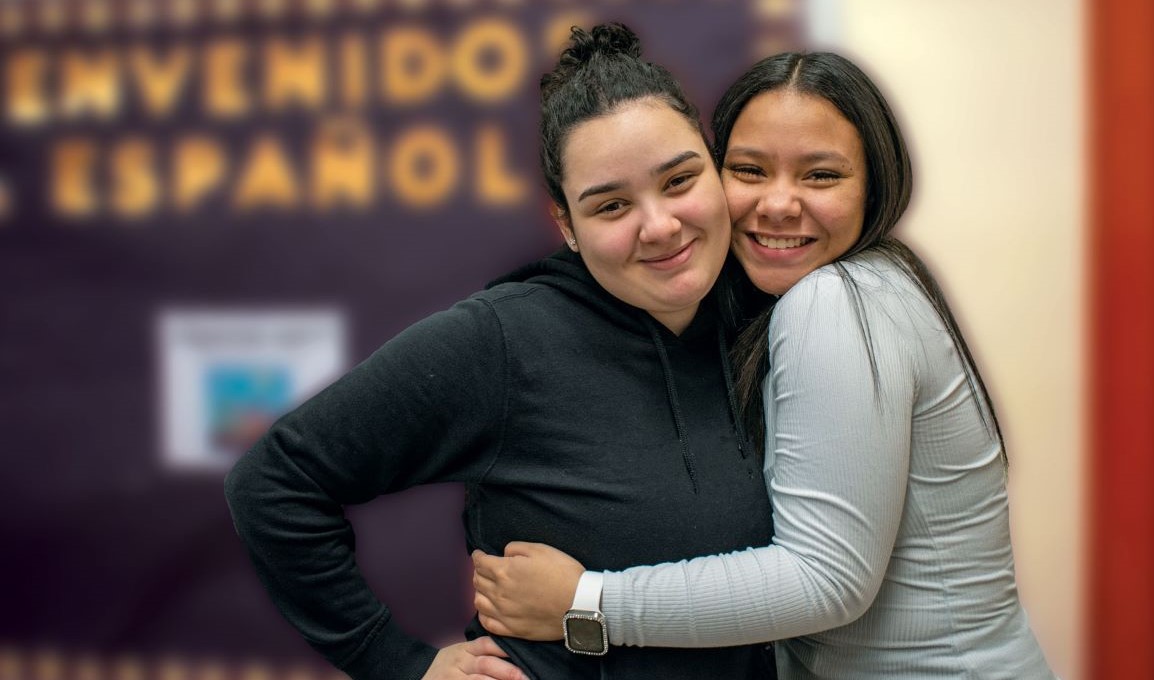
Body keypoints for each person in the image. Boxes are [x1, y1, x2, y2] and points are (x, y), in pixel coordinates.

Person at [472, 51, 1056, 678]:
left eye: (822, 176)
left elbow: (825, 579)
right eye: (749, 169)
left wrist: (585, 602)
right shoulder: (873, 283)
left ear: (875, 182)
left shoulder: (836, 301)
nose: (778, 205)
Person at [223, 23, 778, 680]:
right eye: (611, 206)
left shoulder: (766, 320)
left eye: (680, 181)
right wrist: (397, 661)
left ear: (717, 172)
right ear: (566, 226)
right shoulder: (502, 342)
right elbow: (273, 481)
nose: (658, 225)